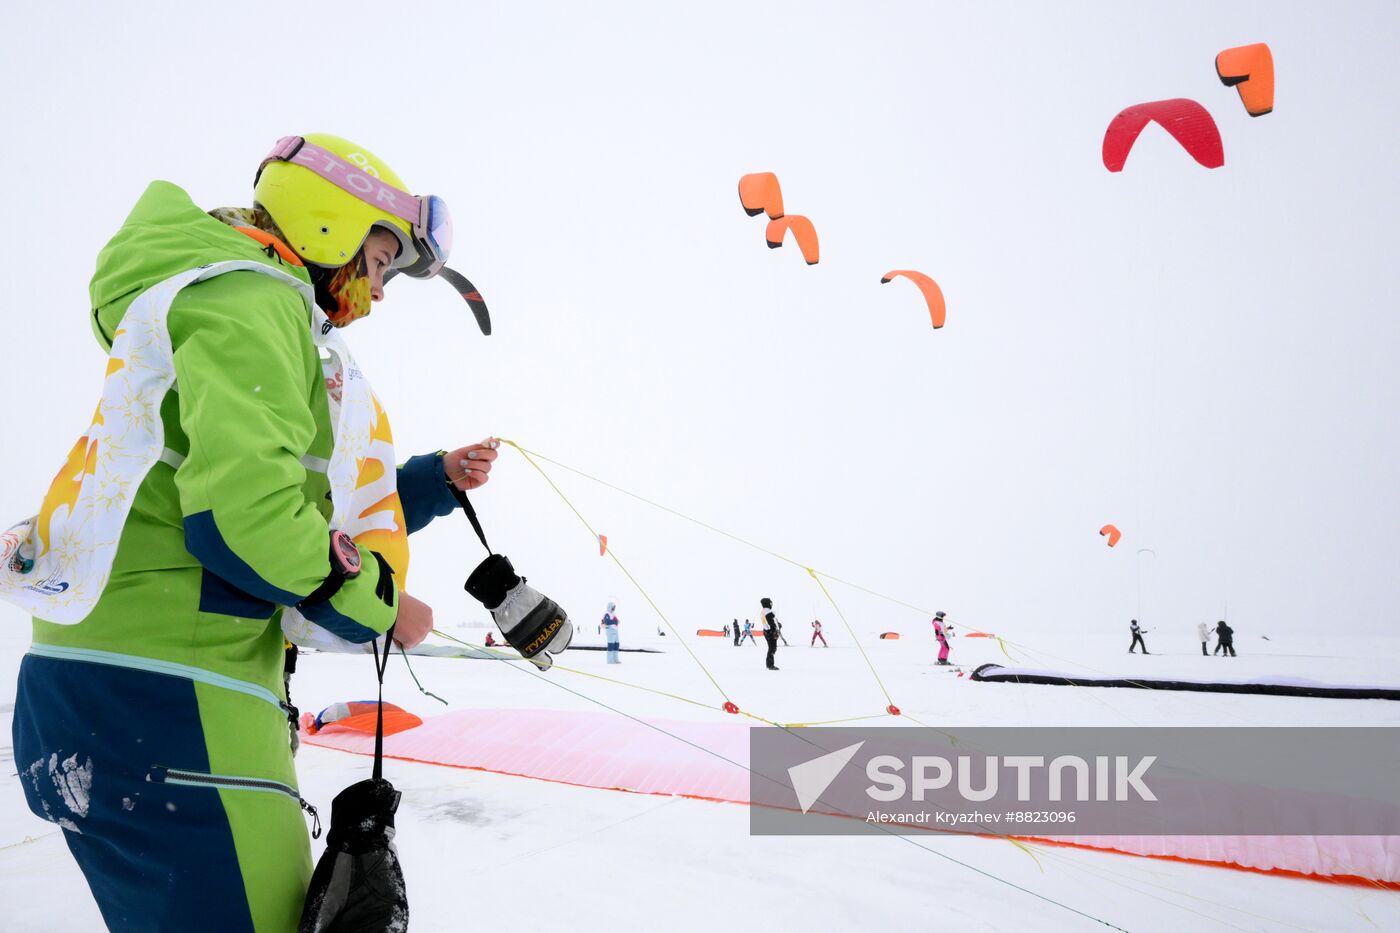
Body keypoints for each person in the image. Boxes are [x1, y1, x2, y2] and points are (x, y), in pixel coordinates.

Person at [9, 133, 498, 932]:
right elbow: (249, 522)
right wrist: (385, 605)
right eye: (378, 264)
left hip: (96, 688)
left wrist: (434, 481)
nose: (373, 295)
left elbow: (286, 489)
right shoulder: (255, 297)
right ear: (330, 224)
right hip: (177, 705)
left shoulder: (203, 294)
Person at [760, 598, 780, 670]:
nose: (771, 604)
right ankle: (770, 665)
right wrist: (775, 630)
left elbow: (771, 622)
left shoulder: (763, 612)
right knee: (772, 648)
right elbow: (772, 623)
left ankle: (769, 664)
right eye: (770, 603)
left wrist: (777, 625)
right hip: (770, 632)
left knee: (772, 648)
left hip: (767, 631)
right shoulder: (768, 612)